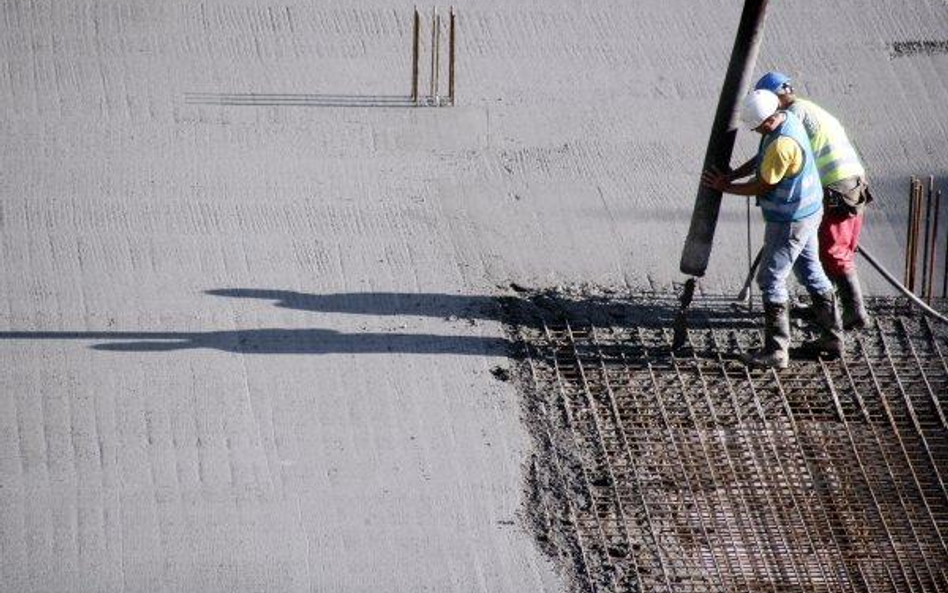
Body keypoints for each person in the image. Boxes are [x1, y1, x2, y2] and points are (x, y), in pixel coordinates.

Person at [701, 89, 843, 369]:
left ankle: (777, 351)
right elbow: (761, 160)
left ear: (766, 120)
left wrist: (725, 187)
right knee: (811, 271)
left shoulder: (782, 146)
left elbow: (764, 184)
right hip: (809, 210)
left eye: (756, 127)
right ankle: (832, 339)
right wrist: (732, 174)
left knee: (770, 279)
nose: (755, 131)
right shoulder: (787, 118)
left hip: (790, 219)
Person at [754, 71, 872, 329]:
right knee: (822, 254)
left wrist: (733, 181)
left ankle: (854, 312)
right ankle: (833, 310)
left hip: (836, 185)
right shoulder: (804, 108)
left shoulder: (793, 116)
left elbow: (777, 157)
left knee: (832, 252)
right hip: (849, 181)